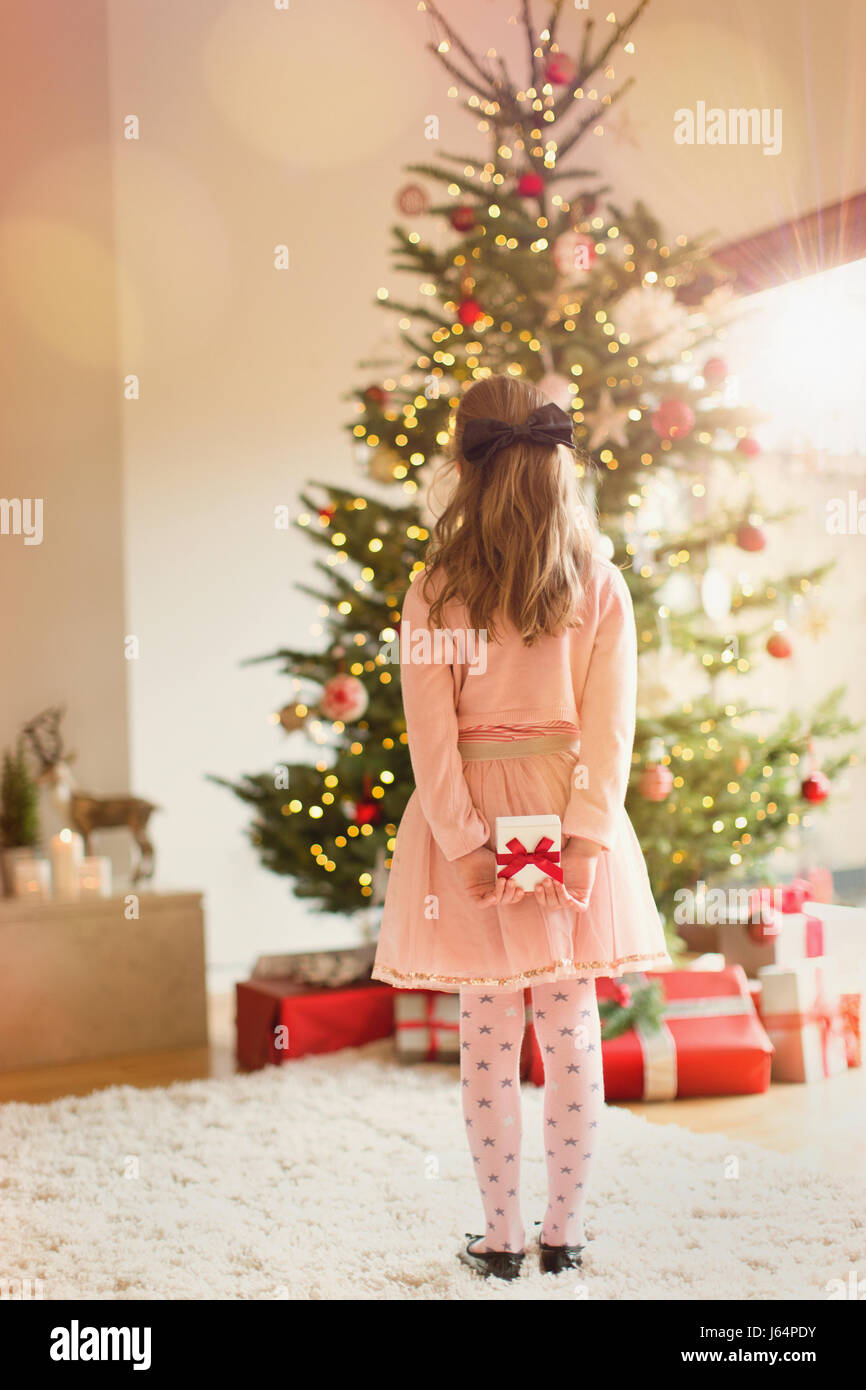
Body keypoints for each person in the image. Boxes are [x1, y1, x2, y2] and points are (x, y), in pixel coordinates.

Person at [372, 374, 669, 1280]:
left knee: (488, 1036)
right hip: (568, 801)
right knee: (572, 1025)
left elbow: (432, 739)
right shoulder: (597, 582)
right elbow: (611, 729)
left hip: (476, 811)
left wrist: (463, 844)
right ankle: (563, 1236)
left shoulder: (436, 589)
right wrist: (583, 838)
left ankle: (500, 1243)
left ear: (465, 465)